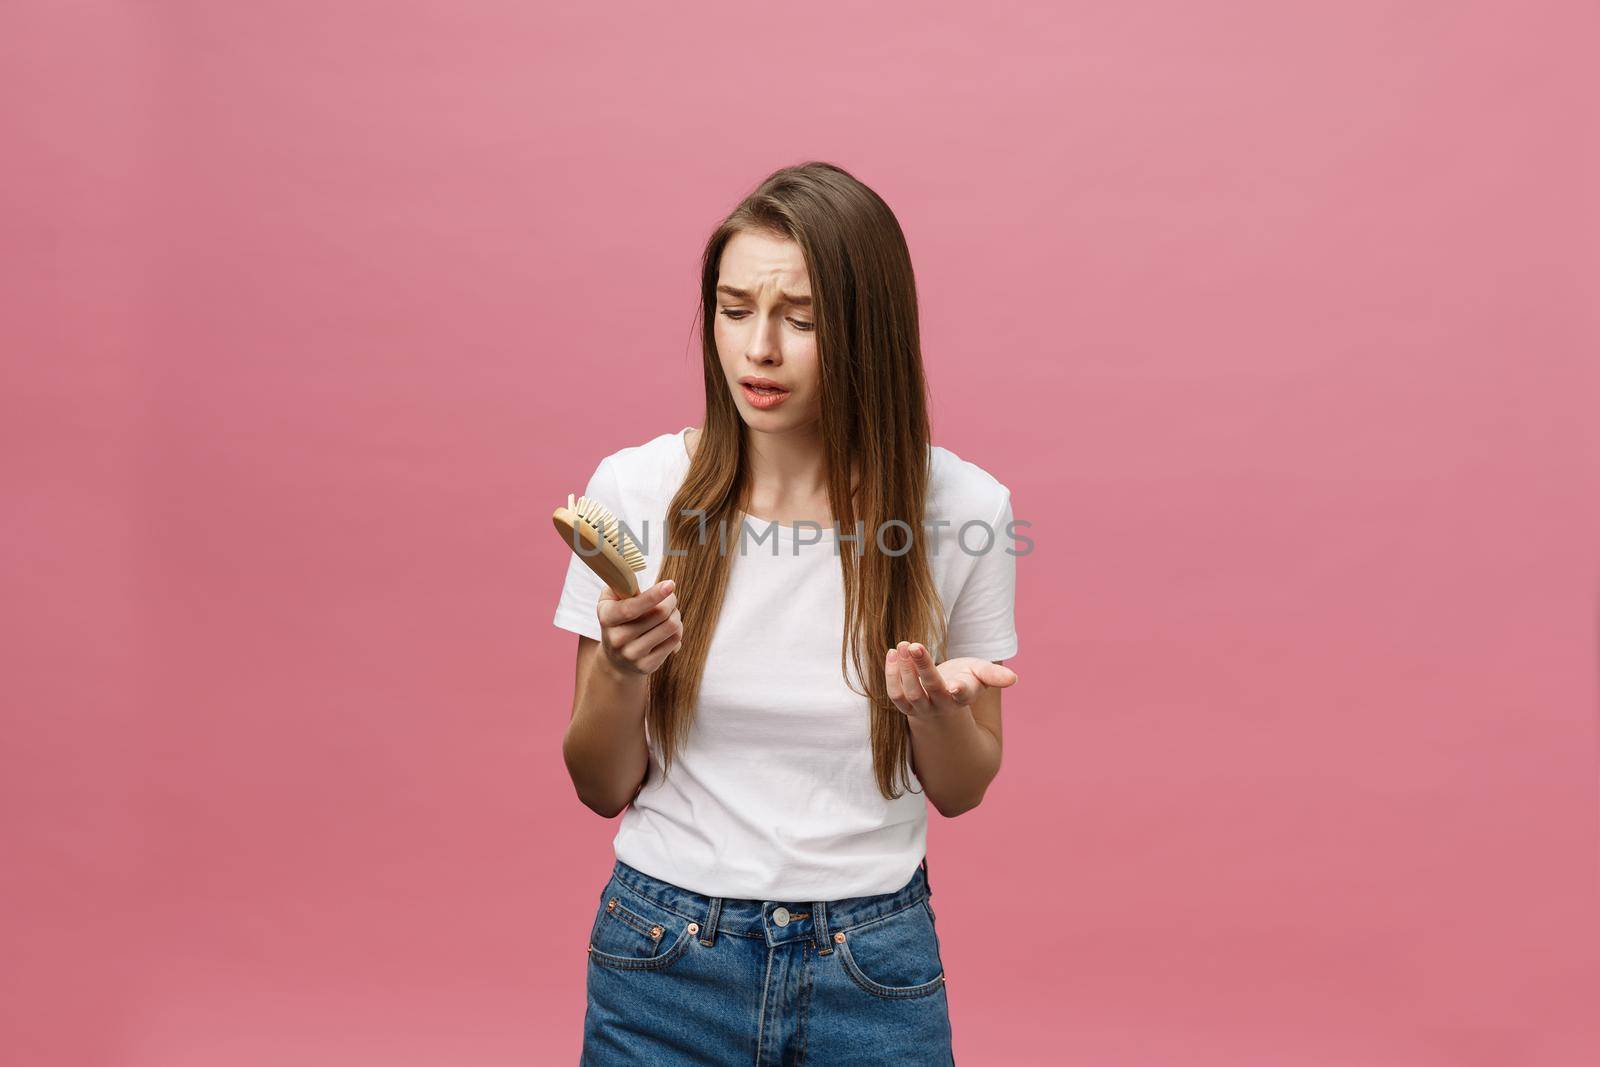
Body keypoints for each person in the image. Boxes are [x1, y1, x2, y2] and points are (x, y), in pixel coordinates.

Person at [553, 161, 1020, 1066]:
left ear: (869, 331)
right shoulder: (638, 490)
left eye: (801, 321)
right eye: (734, 311)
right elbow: (597, 782)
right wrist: (619, 670)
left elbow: (961, 789)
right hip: (663, 958)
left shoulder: (964, 509)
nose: (758, 350)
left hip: (873, 966)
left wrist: (936, 715)